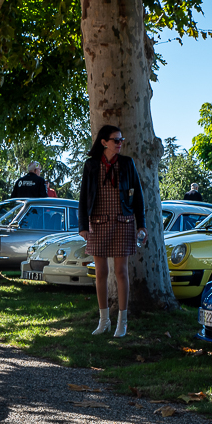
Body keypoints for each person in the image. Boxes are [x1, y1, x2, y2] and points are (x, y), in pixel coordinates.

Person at [79, 125, 145, 339]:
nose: (119, 144)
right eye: (116, 140)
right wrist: (82, 226)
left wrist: (141, 224)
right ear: (104, 142)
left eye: (121, 140)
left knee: (121, 272)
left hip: (123, 222)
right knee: (100, 273)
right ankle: (104, 321)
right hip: (97, 222)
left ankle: (122, 322)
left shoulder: (127, 163)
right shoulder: (91, 165)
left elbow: (138, 196)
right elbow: (83, 197)